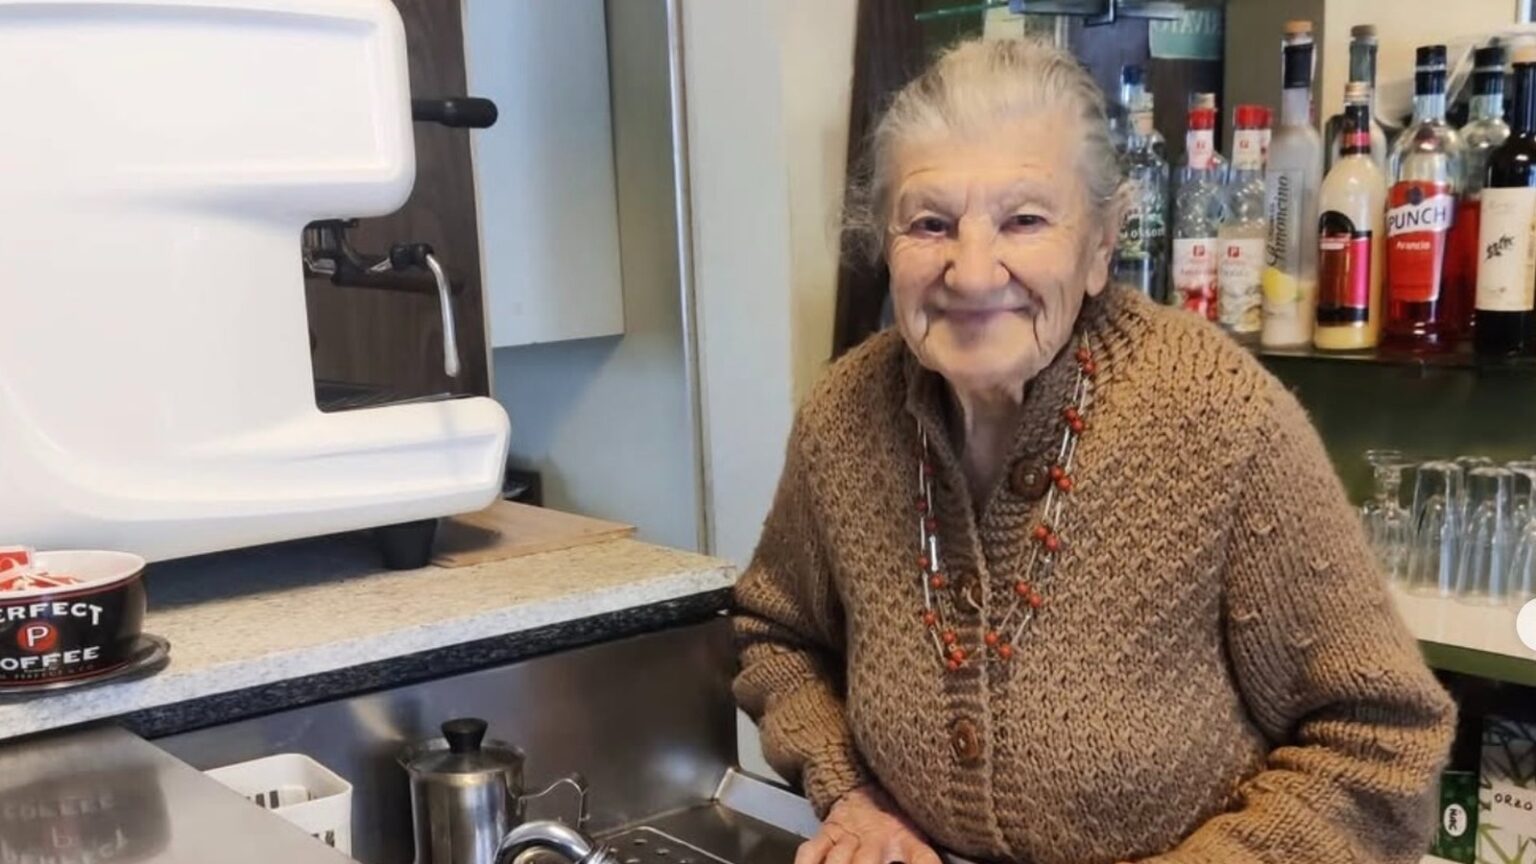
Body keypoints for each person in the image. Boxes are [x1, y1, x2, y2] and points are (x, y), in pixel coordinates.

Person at [732, 37, 1454, 864]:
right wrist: (852, 795)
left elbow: (1381, 743)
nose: (971, 273)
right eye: (930, 223)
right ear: (885, 244)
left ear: (1102, 244)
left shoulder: (1215, 416)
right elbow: (776, 638)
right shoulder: (844, 418)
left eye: (1025, 219)